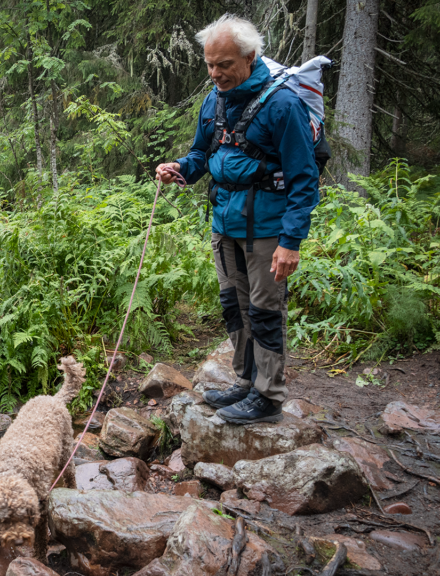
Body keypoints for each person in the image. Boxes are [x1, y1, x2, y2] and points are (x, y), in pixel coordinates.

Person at [155, 14, 319, 424]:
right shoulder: (213, 100)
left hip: (268, 230)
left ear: (249, 57)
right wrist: (179, 168)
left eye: (224, 64)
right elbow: (201, 155)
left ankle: (269, 396)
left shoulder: (283, 104)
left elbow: (304, 180)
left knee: (265, 310)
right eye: (210, 64)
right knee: (235, 306)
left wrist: (291, 242)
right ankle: (246, 382)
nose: (215, 73)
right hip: (224, 224)